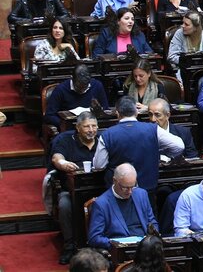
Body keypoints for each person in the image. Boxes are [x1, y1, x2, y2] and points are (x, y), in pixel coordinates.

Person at [93, 97, 184, 194]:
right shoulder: (153, 129)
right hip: (147, 187)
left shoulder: (107, 134)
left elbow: (99, 165)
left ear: (117, 114)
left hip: (119, 190)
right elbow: (179, 146)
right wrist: (159, 151)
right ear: (136, 112)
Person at [50, 112, 100, 263]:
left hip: (99, 188)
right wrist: (63, 164)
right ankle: (70, 246)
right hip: (71, 190)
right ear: (78, 128)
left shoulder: (104, 140)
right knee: (65, 204)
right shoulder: (65, 139)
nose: (91, 130)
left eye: (94, 126)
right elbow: (56, 158)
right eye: (86, 126)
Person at [87, 163, 158, 249]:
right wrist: (117, 244)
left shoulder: (141, 194)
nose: (130, 191)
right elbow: (94, 238)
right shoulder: (101, 203)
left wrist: (151, 238)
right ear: (114, 181)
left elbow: (152, 222)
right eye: (125, 187)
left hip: (145, 248)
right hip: (121, 250)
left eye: (132, 186)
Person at [44, 65, 110, 126]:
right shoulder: (60, 90)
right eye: (78, 87)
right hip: (71, 126)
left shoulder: (97, 85)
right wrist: (64, 124)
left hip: (92, 125)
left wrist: (98, 110)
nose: (82, 90)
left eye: (85, 87)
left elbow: (106, 109)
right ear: (72, 78)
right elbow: (49, 115)